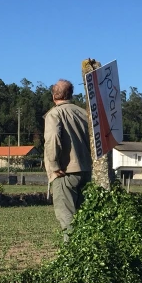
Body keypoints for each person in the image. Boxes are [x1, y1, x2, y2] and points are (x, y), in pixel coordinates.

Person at [43, 79, 93, 238]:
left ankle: (73, 257)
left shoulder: (54, 114)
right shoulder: (85, 114)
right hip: (87, 171)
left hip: (65, 171)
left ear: (53, 96)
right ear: (71, 94)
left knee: (67, 218)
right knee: (84, 218)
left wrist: (54, 164)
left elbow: (52, 139)